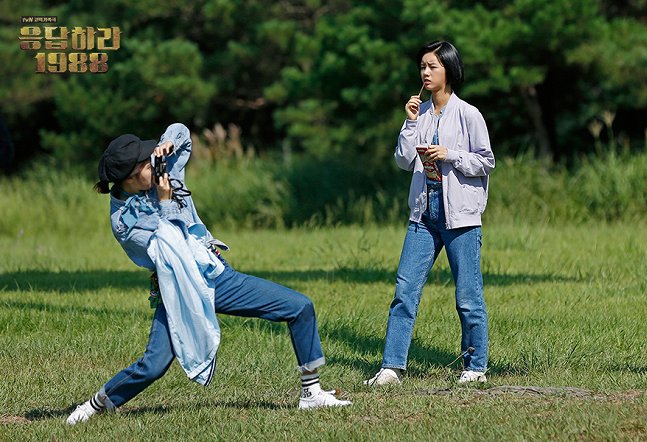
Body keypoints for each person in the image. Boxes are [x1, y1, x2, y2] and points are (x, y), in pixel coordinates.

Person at [66, 123, 351, 425]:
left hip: (217, 274)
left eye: (152, 157)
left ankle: (312, 393)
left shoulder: (163, 171)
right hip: (179, 287)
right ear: (129, 178)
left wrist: (164, 145)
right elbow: (173, 248)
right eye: (146, 163)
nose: (154, 164)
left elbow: (182, 133)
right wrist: (164, 203)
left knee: (300, 306)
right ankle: (97, 404)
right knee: (154, 364)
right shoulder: (124, 223)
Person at [364, 41, 495, 386]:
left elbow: (486, 162)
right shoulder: (419, 114)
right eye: (422, 66)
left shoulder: (468, 114)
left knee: (468, 295)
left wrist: (449, 153)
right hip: (423, 215)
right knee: (404, 292)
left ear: (448, 71)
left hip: (460, 218)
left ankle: (475, 366)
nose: (425, 72)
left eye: (432, 66)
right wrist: (408, 124)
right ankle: (391, 367)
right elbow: (403, 161)